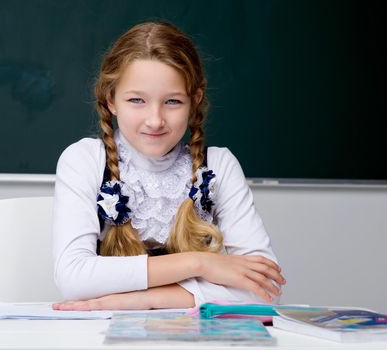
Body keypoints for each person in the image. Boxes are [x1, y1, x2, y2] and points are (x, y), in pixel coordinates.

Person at [52, 21, 285, 311]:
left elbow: (265, 288)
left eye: (172, 101)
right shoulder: (85, 161)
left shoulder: (219, 166)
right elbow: (74, 278)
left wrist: (146, 299)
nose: (155, 120)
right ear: (111, 99)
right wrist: (200, 264)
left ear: (194, 101)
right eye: (137, 100)